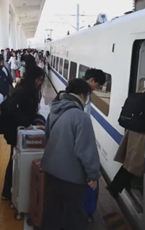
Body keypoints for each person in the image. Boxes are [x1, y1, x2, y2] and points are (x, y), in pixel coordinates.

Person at [41, 79, 100, 228]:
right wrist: (93, 175)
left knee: (52, 211)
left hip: (51, 170)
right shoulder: (81, 117)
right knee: (74, 215)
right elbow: (86, 150)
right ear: (83, 95)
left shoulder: (54, 110)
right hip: (71, 177)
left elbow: (47, 137)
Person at [1, 65, 46, 201]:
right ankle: (8, 192)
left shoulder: (27, 90)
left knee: (15, 160)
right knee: (14, 160)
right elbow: (12, 111)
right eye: (38, 80)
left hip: (20, 131)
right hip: (17, 132)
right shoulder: (21, 92)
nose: (39, 83)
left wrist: (36, 121)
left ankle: (10, 191)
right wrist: (27, 124)